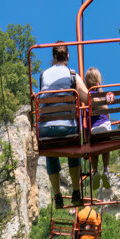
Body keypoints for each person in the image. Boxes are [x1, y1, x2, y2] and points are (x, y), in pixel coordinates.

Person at [38, 44, 90, 208]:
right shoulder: (72, 75)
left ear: (53, 57)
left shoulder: (43, 75)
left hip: (45, 130)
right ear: (67, 57)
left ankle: (57, 195)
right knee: (73, 149)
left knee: (51, 151)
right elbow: (86, 98)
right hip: (66, 128)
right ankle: (76, 191)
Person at [83, 66, 112, 192]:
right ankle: (106, 169)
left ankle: (95, 171)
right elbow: (107, 114)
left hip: (93, 129)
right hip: (105, 126)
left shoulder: (87, 96)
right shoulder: (102, 94)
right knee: (106, 145)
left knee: (94, 147)